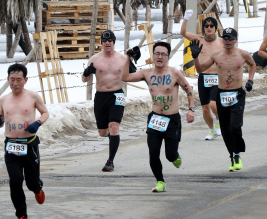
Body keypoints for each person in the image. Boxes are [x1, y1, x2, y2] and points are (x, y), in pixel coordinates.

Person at [121, 42, 195, 192]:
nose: (159, 57)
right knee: (153, 152)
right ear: (153, 56)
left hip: (172, 119)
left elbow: (189, 90)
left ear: (168, 57)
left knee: (170, 155)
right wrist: (127, 57)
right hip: (155, 119)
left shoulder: (175, 73)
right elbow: (125, 77)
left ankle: (175, 156)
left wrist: (191, 109)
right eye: (157, 54)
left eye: (163, 54)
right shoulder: (146, 73)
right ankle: (160, 182)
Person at [191, 28, 256, 172]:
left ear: (235, 40)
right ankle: (232, 156)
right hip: (221, 94)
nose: (227, 41)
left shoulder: (243, 54)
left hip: (237, 94)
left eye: (230, 38)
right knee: (226, 129)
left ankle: (237, 153)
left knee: (235, 126)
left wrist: (250, 80)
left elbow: (253, 64)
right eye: (225, 38)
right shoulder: (216, 55)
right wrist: (195, 57)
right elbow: (201, 69)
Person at [0, 64, 50, 219]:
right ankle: (22, 216)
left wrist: (37, 123)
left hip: (29, 144)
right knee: (15, 180)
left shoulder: (33, 96)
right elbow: (0, 117)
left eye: (19, 80)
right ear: (8, 79)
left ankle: (37, 189)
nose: (15, 83)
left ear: (25, 80)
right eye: (12, 80)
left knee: (31, 182)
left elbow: (45, 112)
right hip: (11, 145)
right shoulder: (3, 99)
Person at [81, 30, 131, 172]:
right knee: (103, 132)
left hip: (117, 95)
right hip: (101, 96)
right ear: (102, 43)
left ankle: (110, 161)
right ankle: (113, 138)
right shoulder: (94, 59)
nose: (107, 43)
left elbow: (133, 75)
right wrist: (86, 73)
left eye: (110, 40)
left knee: (114, 126)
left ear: (114, 42)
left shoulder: (122, 59)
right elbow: (85, 79)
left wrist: (133, 62)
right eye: (104, 41)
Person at [180, 10, 223, 140]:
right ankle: (212, 130)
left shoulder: (221, 41)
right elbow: (183, 33)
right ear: (203, 28)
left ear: (215, 28)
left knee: (213, 105)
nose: (209, 28)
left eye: (211, 26)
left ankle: (218, 121)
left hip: (217, 77)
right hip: (203, 77)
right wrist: (186, 18)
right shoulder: (198, 39)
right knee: (205, 109)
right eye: (206, 26)